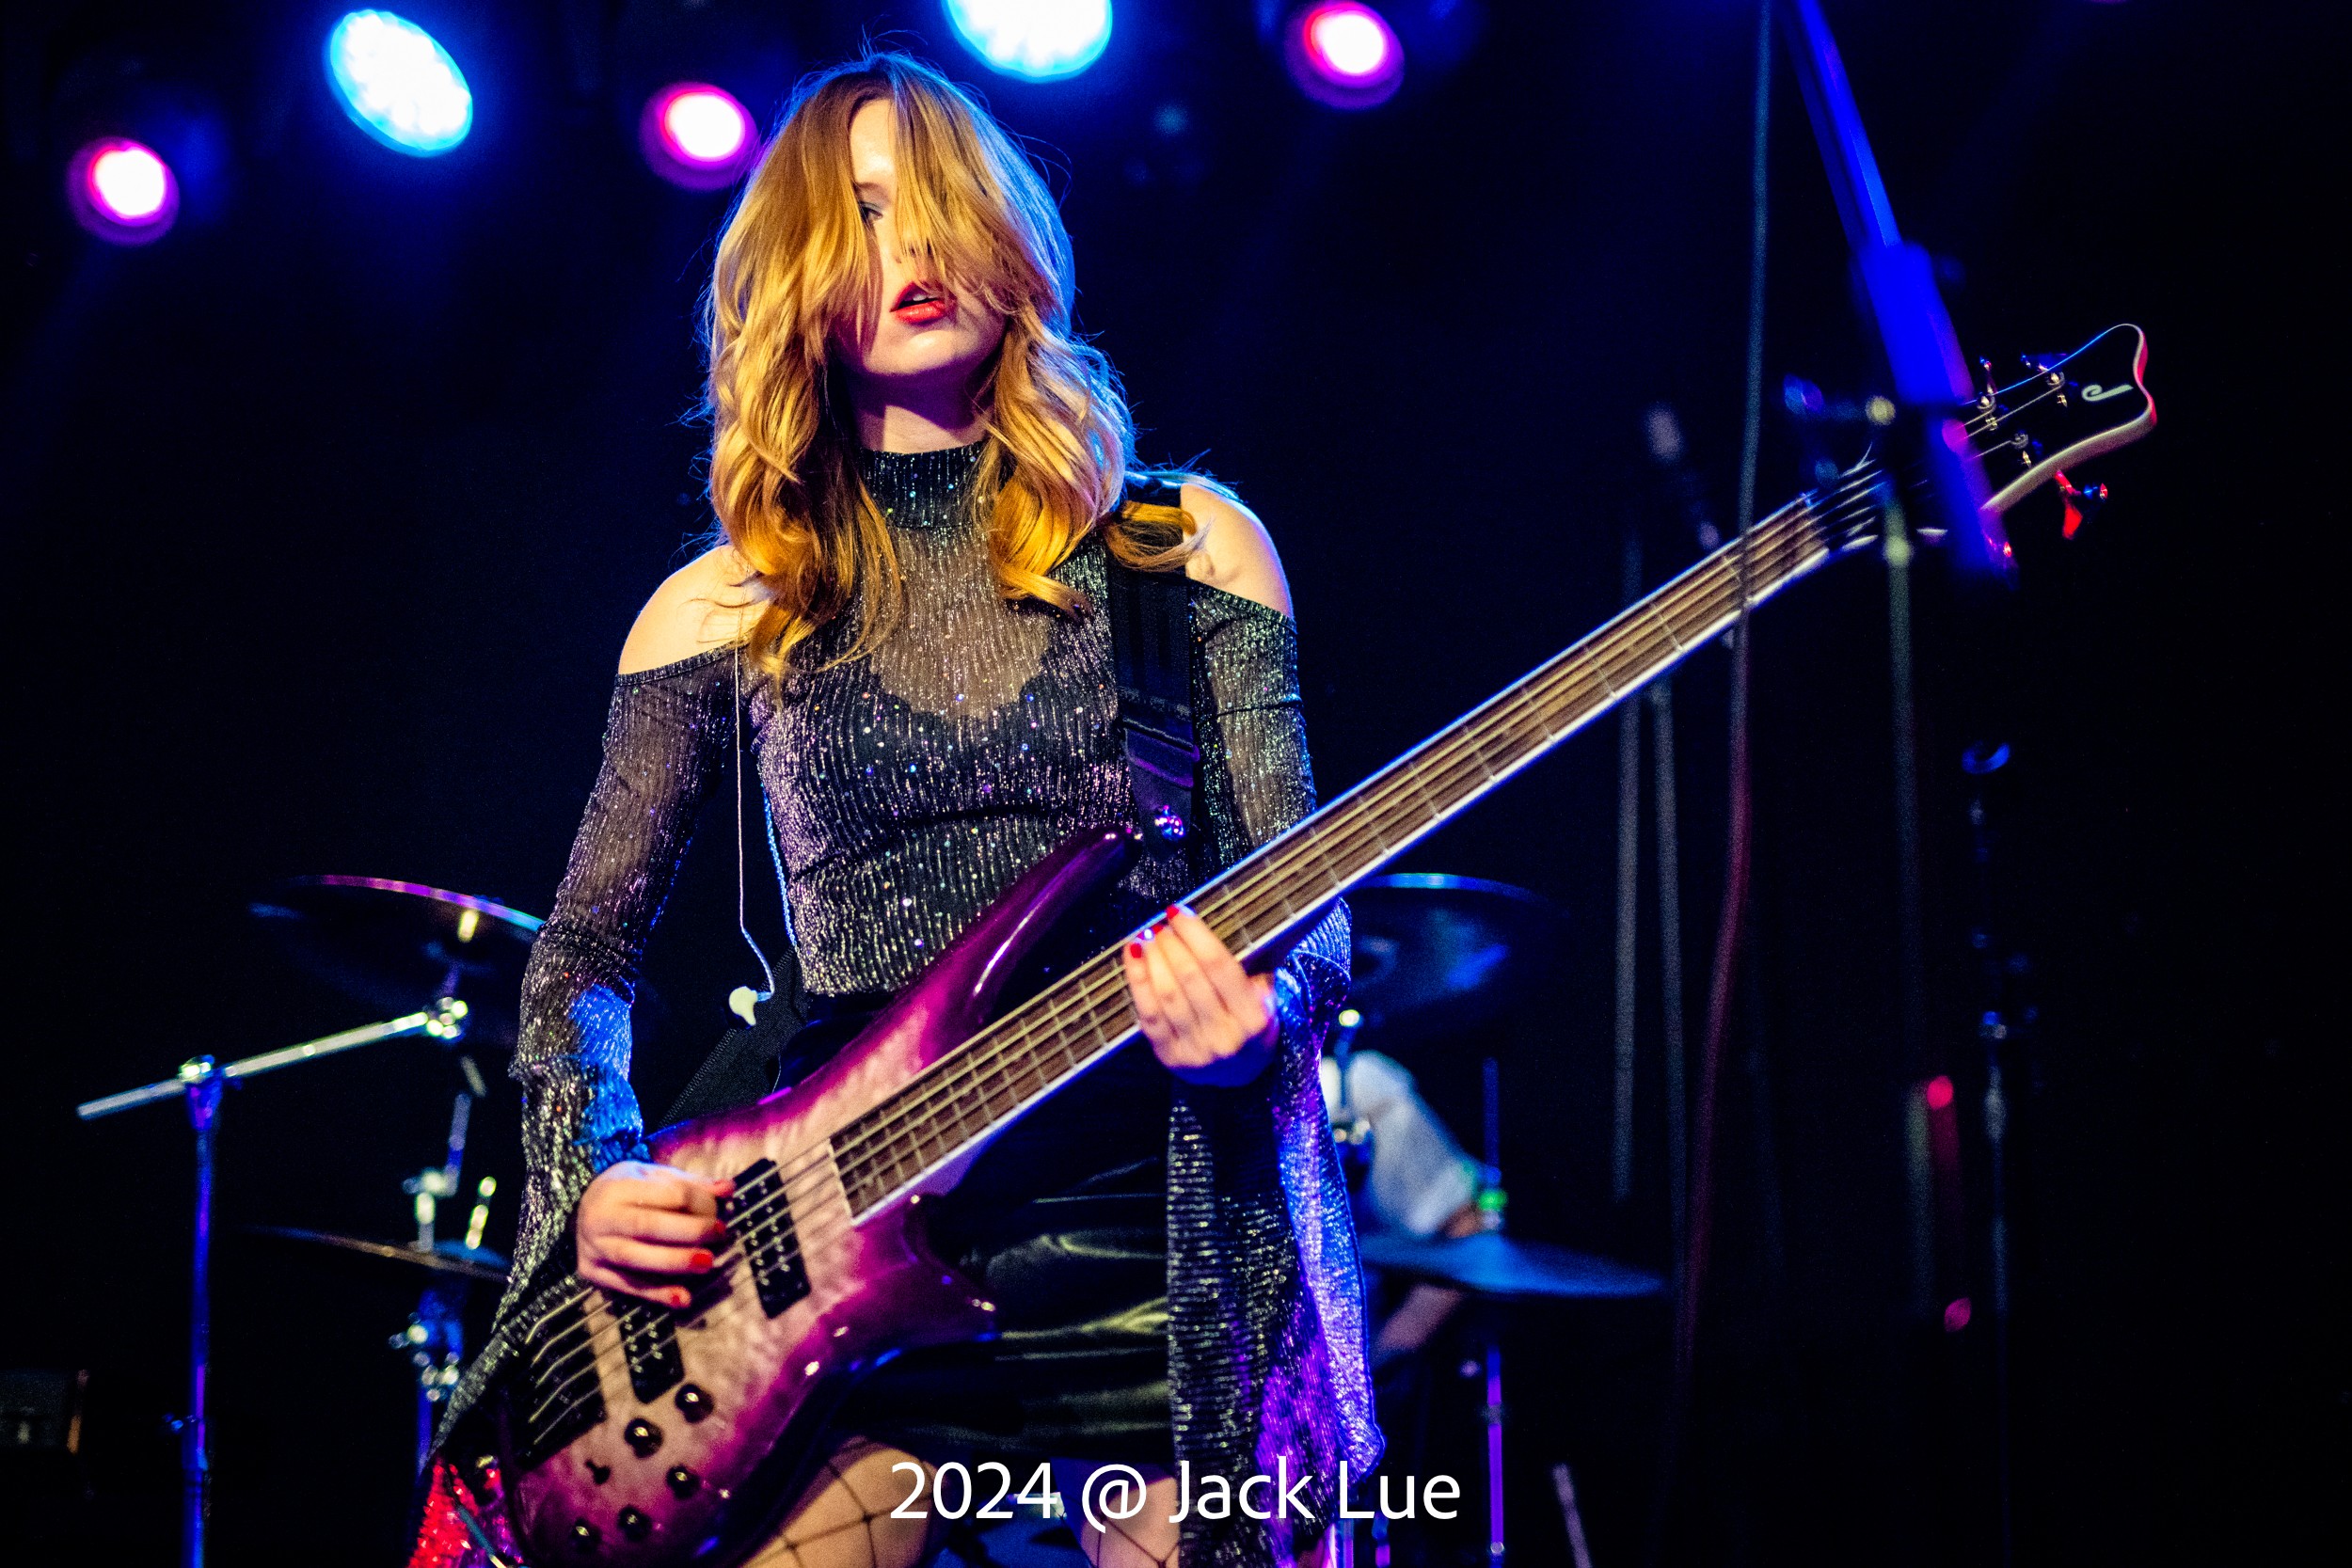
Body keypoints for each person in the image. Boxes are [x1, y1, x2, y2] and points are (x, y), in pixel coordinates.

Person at [409, 53, 1376, 1568]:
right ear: (795, 272)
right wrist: (591, 1173)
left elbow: (1304, 898)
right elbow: (583, 955)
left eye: (933, 200)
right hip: (834, 1236)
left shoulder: (1188, 548)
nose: (909, 244)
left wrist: (1264, 1020)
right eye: (859, 214)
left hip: (1146, 1213)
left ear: (1006, 229)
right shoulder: (723, 605)